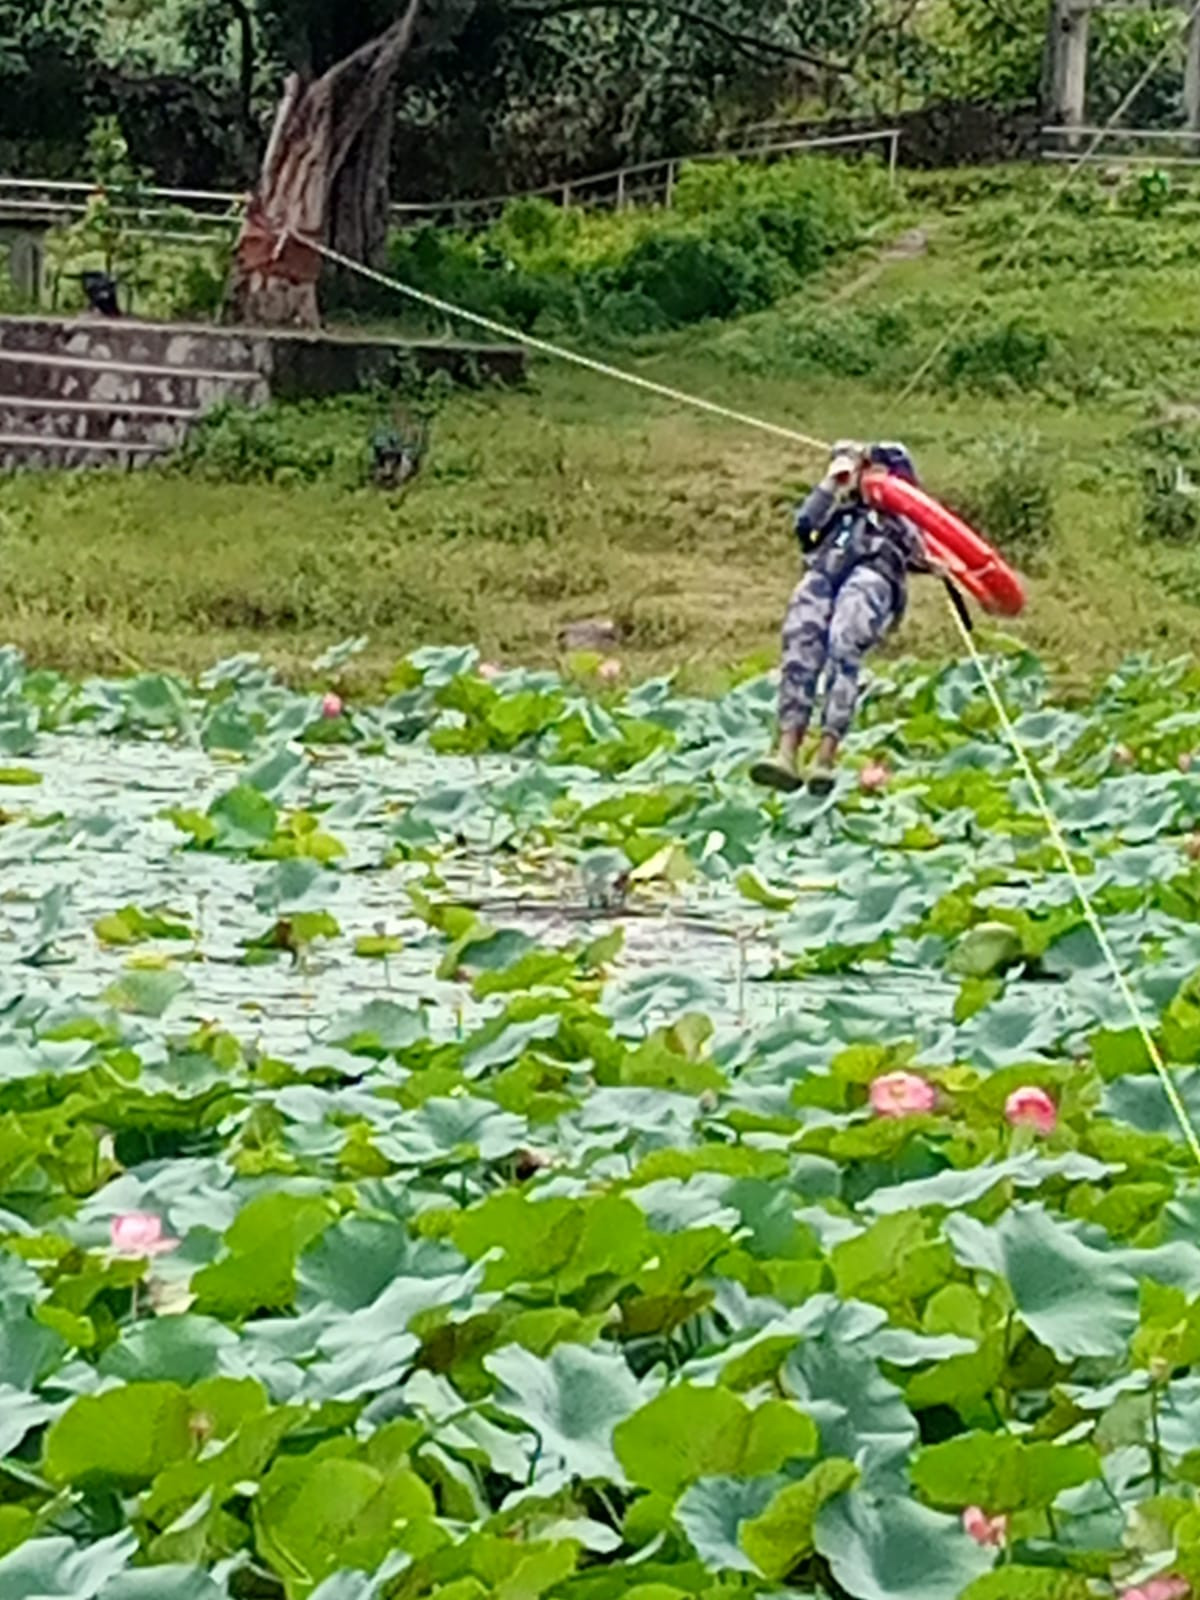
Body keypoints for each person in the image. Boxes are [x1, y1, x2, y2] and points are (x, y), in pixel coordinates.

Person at [751, 440, 929, 798]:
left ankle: (826, 755)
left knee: (844, 642)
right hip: (826, 570)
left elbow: (921, 552)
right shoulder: (840, 512)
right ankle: (786, 749)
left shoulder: (901, 522)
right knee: (802, 642)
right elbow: (804, 524)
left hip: (872, 575)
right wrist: (834, 480)